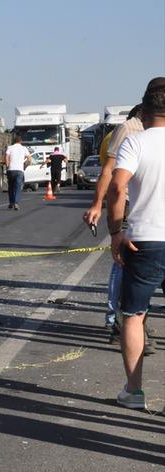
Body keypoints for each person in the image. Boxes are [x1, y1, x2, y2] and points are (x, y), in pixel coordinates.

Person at [106, 77, 165, 410]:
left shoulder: (136, 143)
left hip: (143, 241)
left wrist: (117, 230)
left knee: (133, 315)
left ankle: (134, 391)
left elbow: (118, 188)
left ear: (143, 109)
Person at [83, 104, 144, 337]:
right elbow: (110, 174)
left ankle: (126, 319)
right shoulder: (126, 130)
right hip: (129, 204)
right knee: (123, 261)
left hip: (144, 205)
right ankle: (119, 319)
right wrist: (99, 205)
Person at [4, 135, 31, 210]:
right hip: (19, 170)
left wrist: (7, 166)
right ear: (21, 141)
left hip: (11, 170)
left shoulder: (10, 147)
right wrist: (24, 166)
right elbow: (29, 159)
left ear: (14, 141)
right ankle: (16, 203)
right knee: (18, 187)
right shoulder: (24, 148)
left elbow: (6, 157)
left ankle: (11, 203)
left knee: (11, 187)